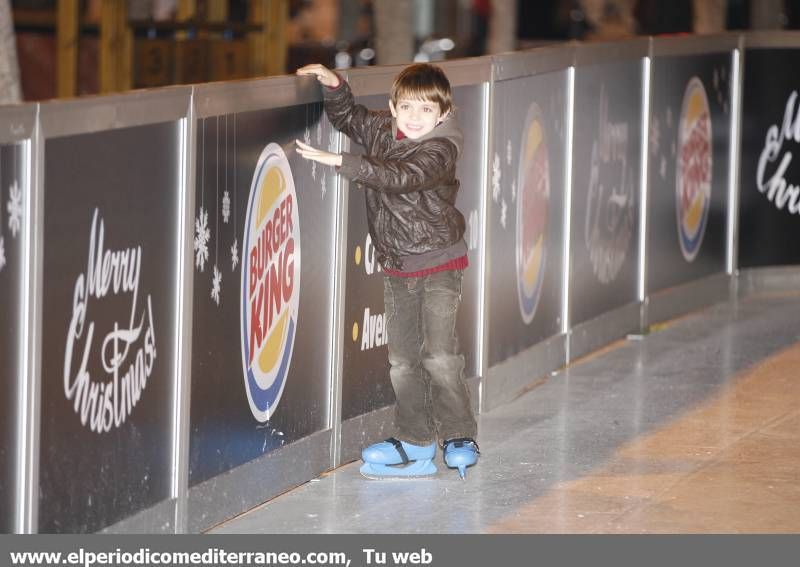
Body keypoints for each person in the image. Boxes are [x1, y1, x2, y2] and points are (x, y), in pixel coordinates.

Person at [295, 62, 479, 479]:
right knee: (401, 360)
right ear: (393, 108)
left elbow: (401, 176)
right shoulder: (381, 129)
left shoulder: (442, 147)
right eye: (408, 108)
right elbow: (348, 117)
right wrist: (334, 84)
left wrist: (342, 161)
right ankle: (415, 440)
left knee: (440, 355)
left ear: (443, 115)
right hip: (398, 264)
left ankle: (458, 434)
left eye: (427, 110)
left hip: (439, 261)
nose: (416, 118)